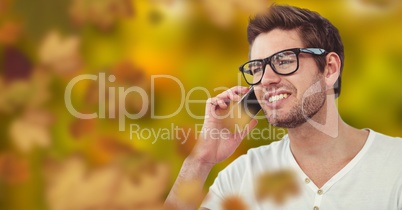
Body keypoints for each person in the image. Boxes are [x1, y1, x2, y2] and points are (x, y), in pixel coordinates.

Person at [165, 4, 402, 210]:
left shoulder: (396, 164)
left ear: (329, 68)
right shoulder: (242, 175)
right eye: (257, 68)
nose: (266, 79)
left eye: (285, 60)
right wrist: (201, 160)